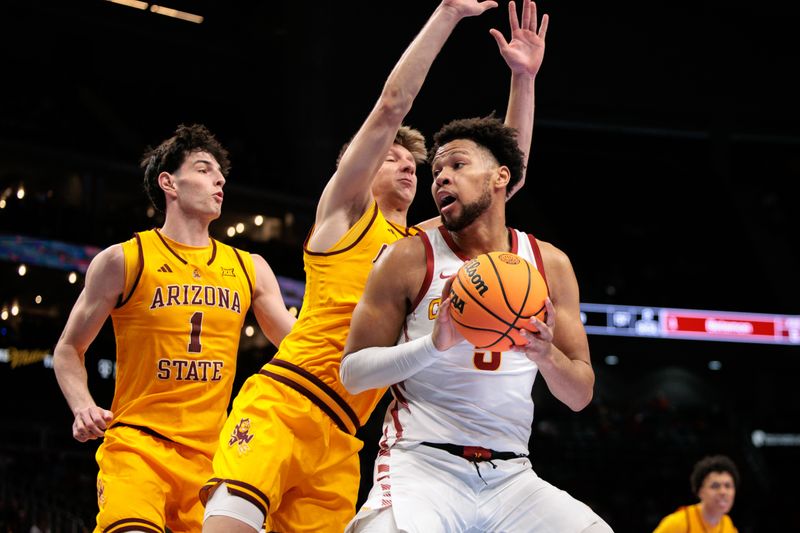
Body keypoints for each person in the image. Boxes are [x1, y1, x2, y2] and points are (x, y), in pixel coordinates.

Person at [201, 1, 548, 531]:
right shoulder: (343, 215)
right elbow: (391, 106)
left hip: (344, 436)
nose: (408, 167)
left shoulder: (419, 247)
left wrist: (523, 81)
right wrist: (449, 15)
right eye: (393, 159)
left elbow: (506, 180)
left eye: (415, 164)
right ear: (357, 167)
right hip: (284, 401)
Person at [339, 114, 614, 530]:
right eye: (436, 171)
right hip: (420, 464)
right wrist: (434, 344)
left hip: (513, 476)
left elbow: (580, 394)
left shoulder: (550, 264)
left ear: (501, 177)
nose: (441, 179)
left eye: (457, 165)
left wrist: (546, 355)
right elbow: (353, 374)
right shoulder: (408, 258)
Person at [53, 123, 296, 533]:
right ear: (169, 182)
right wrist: (82, 407)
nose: (218, 179)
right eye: (203, 169)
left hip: (215, 454)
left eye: (220, 174)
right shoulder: (125, 260)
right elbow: (67, 350)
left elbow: (296, 344)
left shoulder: (249, 268)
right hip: (137, 445)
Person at [653, 455, 740, 533]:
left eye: (728, 486)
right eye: (715, 486)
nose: (723, 492)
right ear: (700, 492)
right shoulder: (679, 522)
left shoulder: (728, 526)